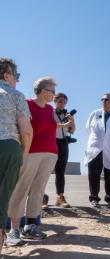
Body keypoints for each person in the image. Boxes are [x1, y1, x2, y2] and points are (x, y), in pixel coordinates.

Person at [7, 76, 61, 245]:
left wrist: (64, 125)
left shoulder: (50, 109)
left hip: (50, 153)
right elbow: (22, 128)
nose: (55, 94)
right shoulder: (27, 104)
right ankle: (13, 230)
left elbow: (49, 128)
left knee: (38, 190)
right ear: (43, 91)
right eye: (52, 91)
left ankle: (30, 226)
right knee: (21, 189)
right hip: (30, 152)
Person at [0, 58, 33, 255]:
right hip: (8, 147)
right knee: (2, 198)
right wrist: (24, 154)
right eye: (16, 76)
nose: (17, 81)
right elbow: (26, 131)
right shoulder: (15, 95)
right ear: (7, 75)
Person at [84, 93, 110, 208]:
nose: (103, 101)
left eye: (106, 99)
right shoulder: (95, 114)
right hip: (95, 147)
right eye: (102, 99)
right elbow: (88, 128)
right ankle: (94, 198)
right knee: (94, 173)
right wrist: (99, 139)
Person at [53, 93, 76, 208]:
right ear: (55, 101)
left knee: (60, 171)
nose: (62, 104)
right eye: (60, 101)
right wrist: (64, 124)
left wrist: (72, 121)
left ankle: (60, 197)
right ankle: (41, 197)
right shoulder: (50, 112)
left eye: (65, 102)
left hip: (64, 143)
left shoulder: (66, 114)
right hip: (52, 143)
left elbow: (72, 130)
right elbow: (50, 125)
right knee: (45, 171)